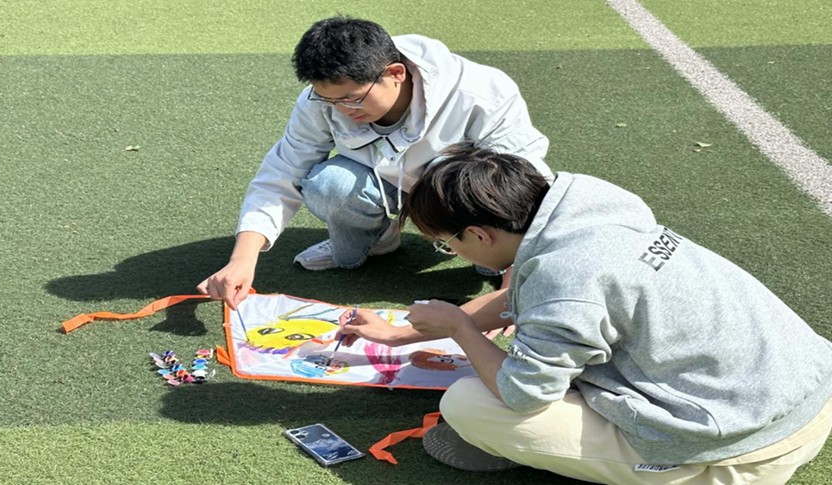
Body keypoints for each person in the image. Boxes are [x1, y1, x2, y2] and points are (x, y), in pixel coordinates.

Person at [339, 143, 832, 483]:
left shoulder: (567, 277)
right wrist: (404, 335)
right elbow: (538, 300)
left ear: (480, 235)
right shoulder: (588, 210)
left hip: (744, 453)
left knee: (468, 404)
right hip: (809, 393)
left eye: (447, 246)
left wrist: (461, 329)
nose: (452, 253)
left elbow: (523, 394)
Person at [197, 16, 552, 309]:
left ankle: (493, 261)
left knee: (490, 255)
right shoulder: (321, 100)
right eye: (330, 101)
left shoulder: (481, 91)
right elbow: (283, 170)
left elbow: (522, 183)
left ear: (396, 72)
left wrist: (511, 290)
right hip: (383, 185)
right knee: (329, 185)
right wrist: (242, 260)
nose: (342, 111)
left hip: (459, 197)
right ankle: (377, 241)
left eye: (353, 99)